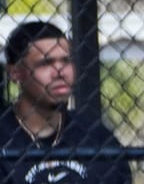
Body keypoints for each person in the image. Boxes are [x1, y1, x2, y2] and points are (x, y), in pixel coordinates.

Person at [0, 21, 132, 184]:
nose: (59, 72)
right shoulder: (5, 136)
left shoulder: (96, 136)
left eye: (66, 60)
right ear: (15, 73)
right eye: (45, 63)